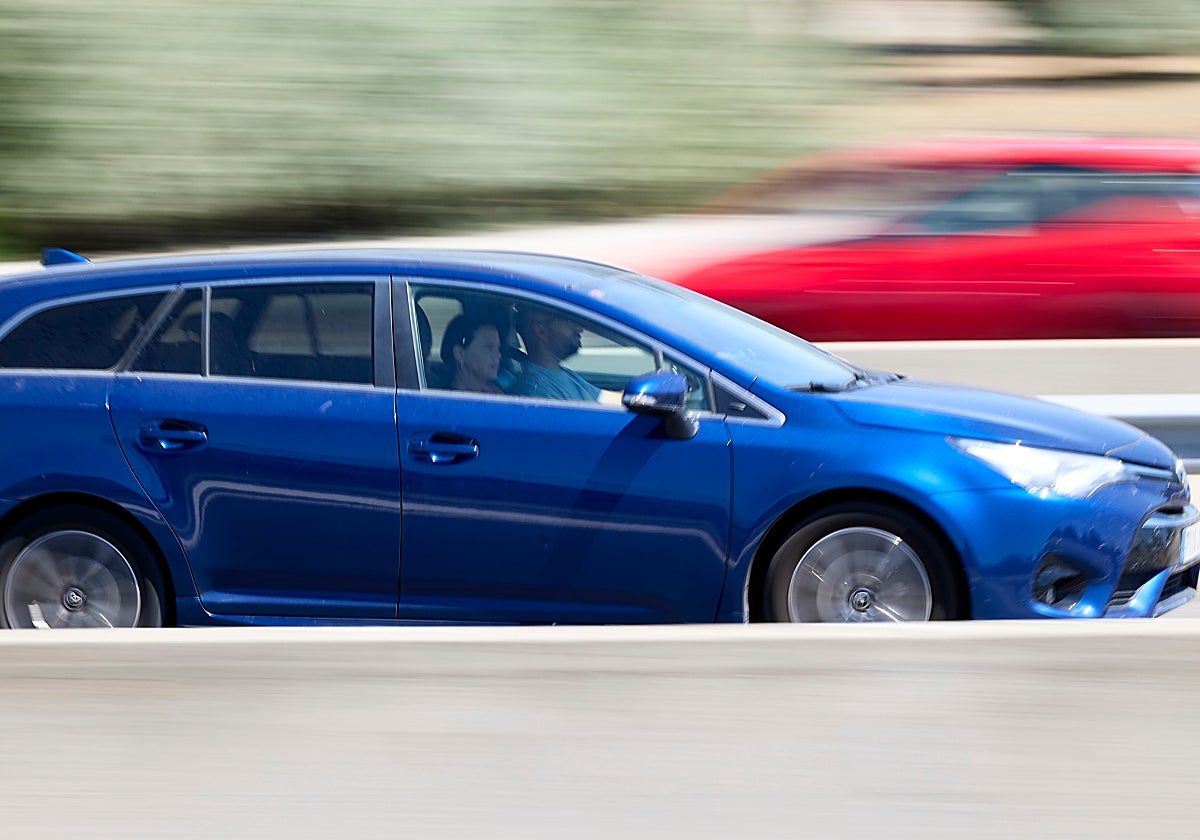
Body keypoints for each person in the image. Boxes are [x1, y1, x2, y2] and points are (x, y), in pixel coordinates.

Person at [510, 305, 604, 401]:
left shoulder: (564, 374)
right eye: (568, 320)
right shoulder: (537, 392)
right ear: (541, 331)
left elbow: (607, 399)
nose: (579, 329)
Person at [439, 313, 503, 394]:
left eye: (498, 348)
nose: (498, 355)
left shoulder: (495, 392)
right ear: (460, 354)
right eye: (489, 347)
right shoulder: (448, 400)